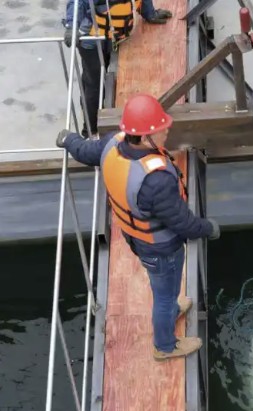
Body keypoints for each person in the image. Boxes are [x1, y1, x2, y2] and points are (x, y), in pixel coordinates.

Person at [56, 93, 220, 361]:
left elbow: (86, 152)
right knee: (164, 296)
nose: (167, 129)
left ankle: (171, 305)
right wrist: (209, 228)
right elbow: (182, 223)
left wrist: (68, 139)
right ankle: (165, 346)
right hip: (161, 248)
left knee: (165, 289)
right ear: (145, 137)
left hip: (135, 238)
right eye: (160, 128)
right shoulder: (156, 181)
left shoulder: (112, 143)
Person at [62, 0, 173, 137]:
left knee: (106, 81)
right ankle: (90, 130)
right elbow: (78, 3)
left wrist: (150, 14)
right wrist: (71, 26)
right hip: (91, 39)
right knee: (94, 85)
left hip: (116, 35)